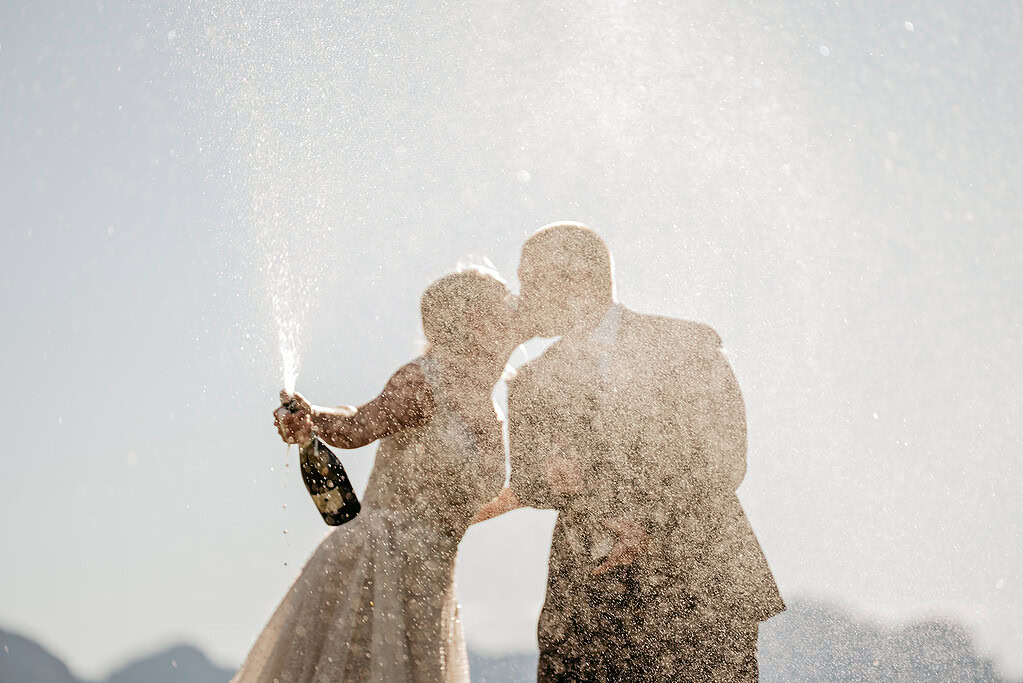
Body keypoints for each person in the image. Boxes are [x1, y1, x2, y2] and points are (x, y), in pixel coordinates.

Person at [476, 223, 785, 682]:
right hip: (591, 597)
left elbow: (725, 457)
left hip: (699, 584)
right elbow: (532, 483)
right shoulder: (532, 381)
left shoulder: (686, 345)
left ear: (583, 279)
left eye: (534, 282)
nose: (525, 298)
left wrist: (648, 523)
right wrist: (552, 477)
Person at [234, 267, 520, 683]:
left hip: (431, 584)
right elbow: (358, 424)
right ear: (473, 321)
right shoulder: (425, 379)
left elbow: (474, 505)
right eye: (503, 308)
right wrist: (313, 419)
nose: (514, 315)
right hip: (375, 567)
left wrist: (537, 490)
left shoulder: (491, 407)